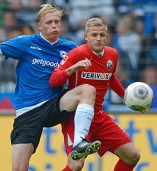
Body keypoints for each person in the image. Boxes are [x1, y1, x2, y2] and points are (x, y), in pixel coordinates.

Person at [0, 4, 101, 171]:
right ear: (39, 26)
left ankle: (80, 142)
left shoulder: (70, 48)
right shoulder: (26, 43)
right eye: (49, 22)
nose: (54, 26)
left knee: (87, 90)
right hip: (28, 112)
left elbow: (90, 71)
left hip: (55, 105)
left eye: (57, 22)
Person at [49, 17, 141, 171]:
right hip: (76, 117)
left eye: (102, 35)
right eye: (94, 35)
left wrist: (128, 98)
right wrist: (73, 68)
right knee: (76, 164)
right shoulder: (77, 54)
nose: (98, 39)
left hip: (98, 116)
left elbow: (110, 78)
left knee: (132, 155)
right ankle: (80, 141)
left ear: (107, 36)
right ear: (86, 37)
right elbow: (53, 81)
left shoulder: (112, 54)